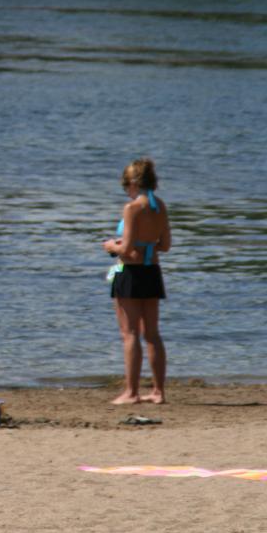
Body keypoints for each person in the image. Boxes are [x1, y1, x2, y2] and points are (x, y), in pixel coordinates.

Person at [102, 158, 171, 405]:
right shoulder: (159, 206)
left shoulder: (132, 208)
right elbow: (165, 245)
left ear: (132, 183)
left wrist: (111, 245)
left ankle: (131, 392)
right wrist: (144, 248)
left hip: (130, 274)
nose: (126, 192)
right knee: (152, 334)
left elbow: (127, 248)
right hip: (152, 272)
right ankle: (158, 392)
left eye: (125, 186)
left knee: (129, 334)